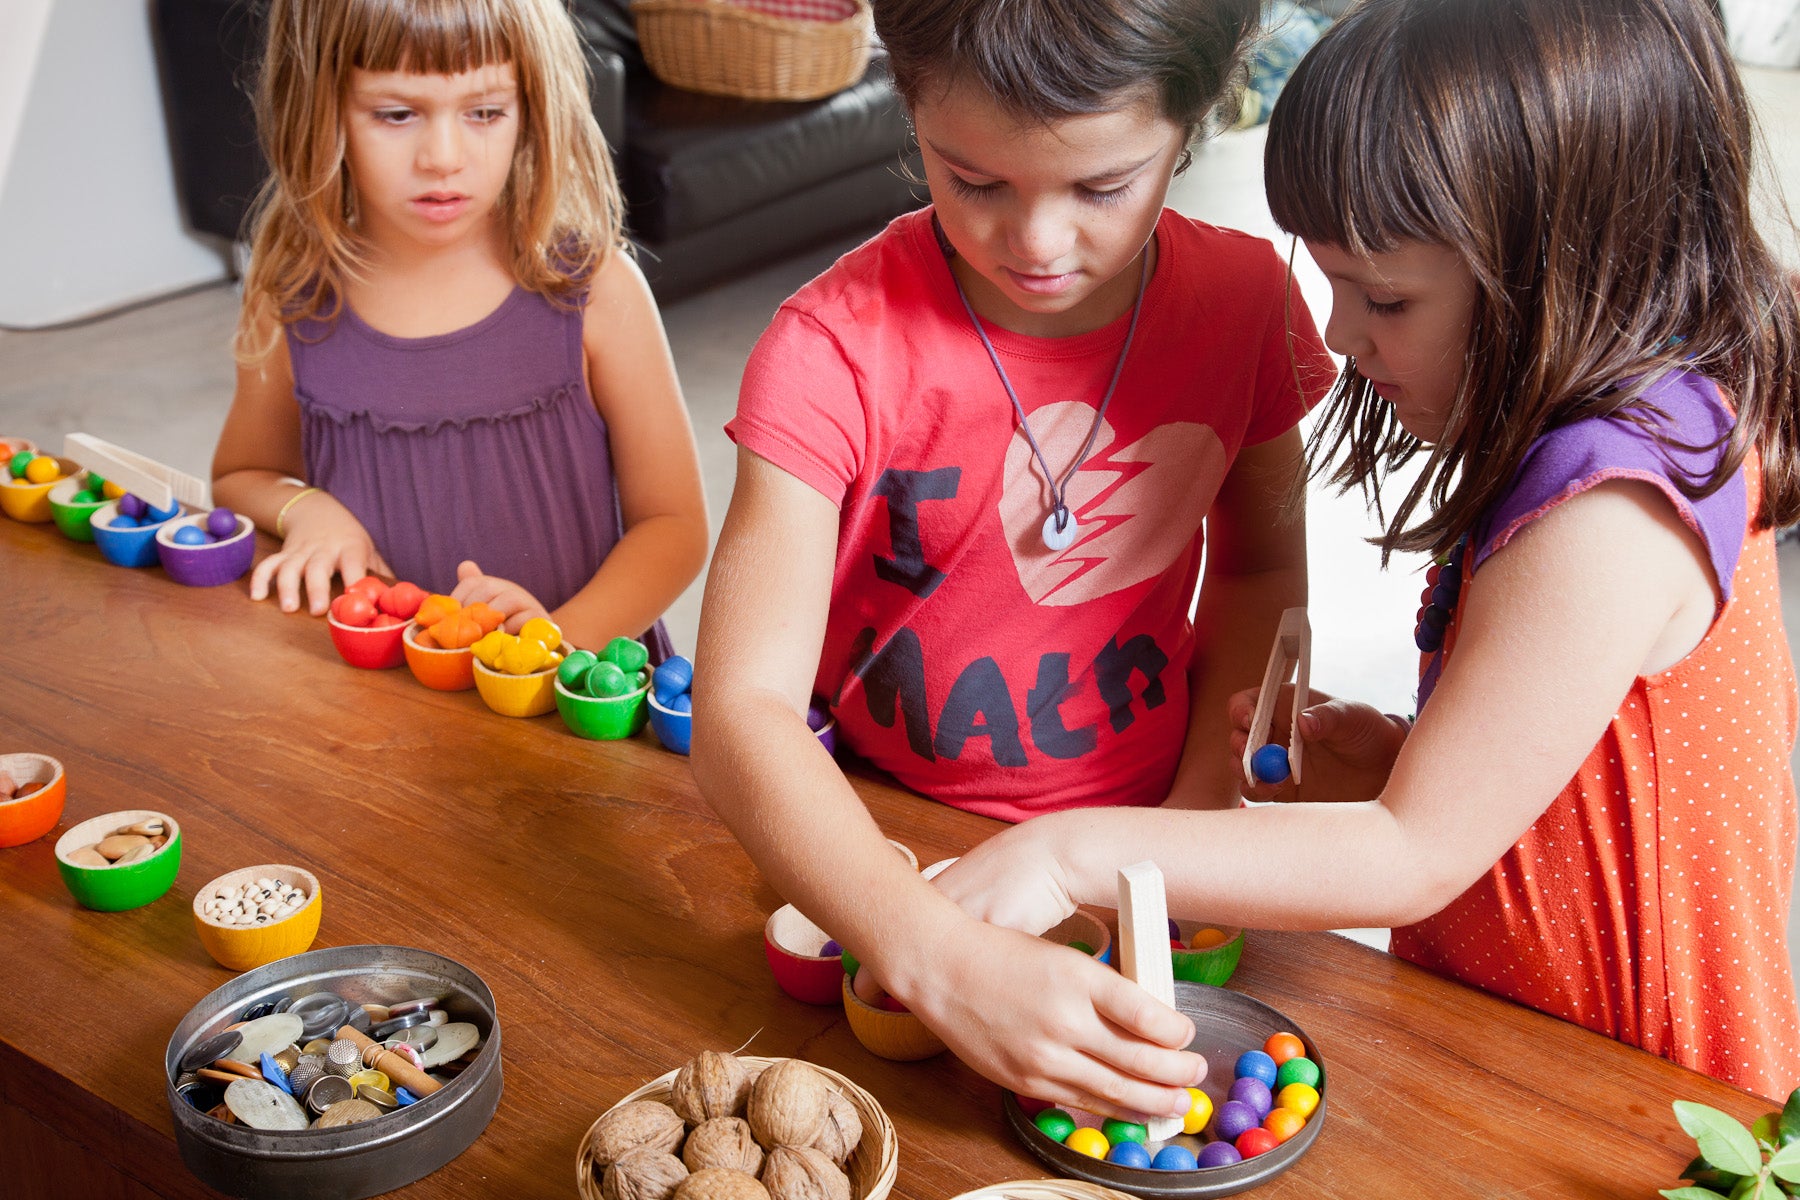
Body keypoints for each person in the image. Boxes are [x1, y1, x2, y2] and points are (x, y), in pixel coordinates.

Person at [934, 0, 1800, 1098]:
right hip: (1511, 1043)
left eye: (1384, 297)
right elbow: (1560, 773)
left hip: (1625, 1092)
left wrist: (1069, 852)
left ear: (1559, 266)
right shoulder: (1620, 409)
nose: (1341, 336)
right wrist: (1405, 759)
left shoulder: (1611, 511)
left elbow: (1414, 854)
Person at [692, 0, 1334, 1118]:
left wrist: (1187, 833)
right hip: (884, 846)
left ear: (1191, 127)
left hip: (1148, 833)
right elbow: (743, 709)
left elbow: (1259, 579)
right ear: (910, 110)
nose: (1036, 243)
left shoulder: (1249, 307)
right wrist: (932, 953)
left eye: (1101, 187)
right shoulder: (829, 352)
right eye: (974, 181)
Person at [212, 0, 707, 654]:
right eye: (396, 114)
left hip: (573, 702)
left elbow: (674, 527)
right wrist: (306, 510)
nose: (443, 157)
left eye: (484, 112)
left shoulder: (595, 291)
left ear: (530, 110)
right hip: (385, 708)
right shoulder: (293, 295)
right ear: (320, 108)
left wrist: (544, 646)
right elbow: (239, 474)